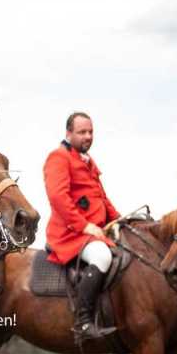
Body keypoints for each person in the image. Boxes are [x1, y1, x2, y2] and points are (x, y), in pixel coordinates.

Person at [43, 112, 121, 341]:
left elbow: (101, 198)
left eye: (90, 132)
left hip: (93, 232)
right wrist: (85, 226)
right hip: (69, 234)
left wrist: (119, 219)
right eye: (82, 132)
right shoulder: (58, 157)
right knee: (102, 257)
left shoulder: (88, 161)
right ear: (69, 133)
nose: (88, 136)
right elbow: (58, 198)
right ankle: (83, 323)